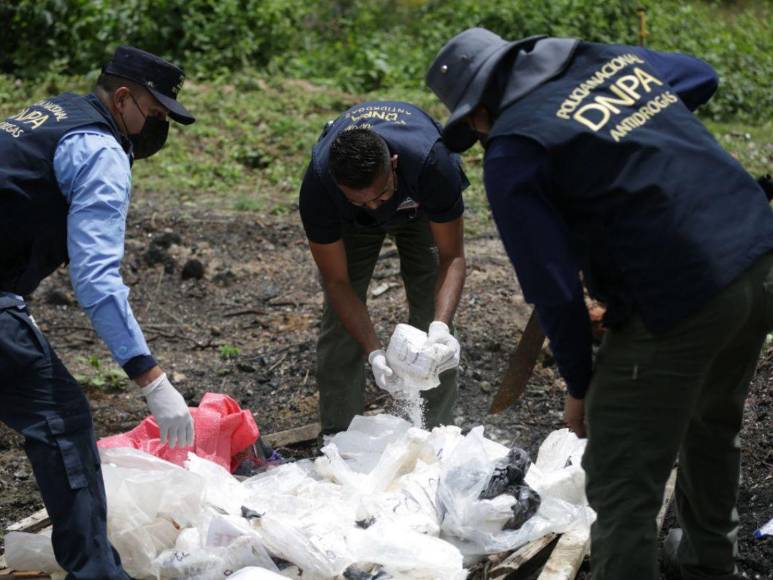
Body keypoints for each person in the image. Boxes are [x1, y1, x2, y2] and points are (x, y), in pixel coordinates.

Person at [426, 28, 773, 580]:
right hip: (757, 255)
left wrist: (581, 387)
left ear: (480, 110)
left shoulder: (515, 150)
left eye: (472, 123)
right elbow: (700, 75)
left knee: (621, 477)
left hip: (680, 289)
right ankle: (710, 565)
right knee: (712, 421)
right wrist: (623, 131)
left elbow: (553, 289)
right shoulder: (609, 63)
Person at [0, 46, 196, 578]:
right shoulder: (100, 150)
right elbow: (97, 279)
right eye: (155, 116)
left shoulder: (51, 114)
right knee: (61, 420)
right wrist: (151, 379)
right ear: (124, 98)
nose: (157, 129)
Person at [299, 101, 468, 435]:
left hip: (417, 207)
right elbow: (337, 282)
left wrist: (441, 327)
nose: (375, 207)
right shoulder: (319, 187)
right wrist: (374, 352)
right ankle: (339, 436)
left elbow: (452, 256)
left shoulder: (433, 163)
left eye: (379, 195)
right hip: (351, 224)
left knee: (431, 326)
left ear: (393, 164)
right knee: (340, 328)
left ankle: (436, 435)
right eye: (361, 200)